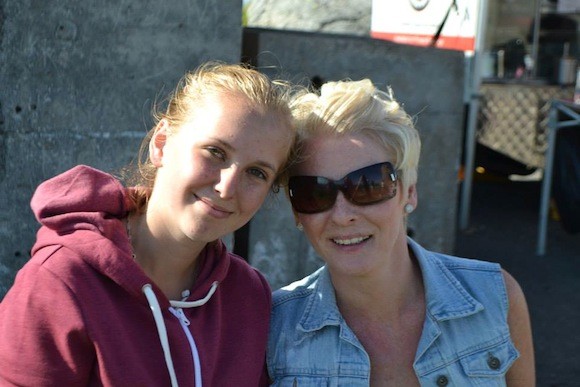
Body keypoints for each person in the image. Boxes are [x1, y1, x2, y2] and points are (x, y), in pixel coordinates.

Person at [0, 62, 298, 386]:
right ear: (161, 144)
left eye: (257, 173)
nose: (227, 187)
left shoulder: (248, 295)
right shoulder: (62, 280)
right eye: (215, 152)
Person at [267, 79, 535, 386]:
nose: (342, 216)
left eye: (368, 185)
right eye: (313, 193)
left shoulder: (495, 296)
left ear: (408, 193)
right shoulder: (274, 330)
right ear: (296, 211)